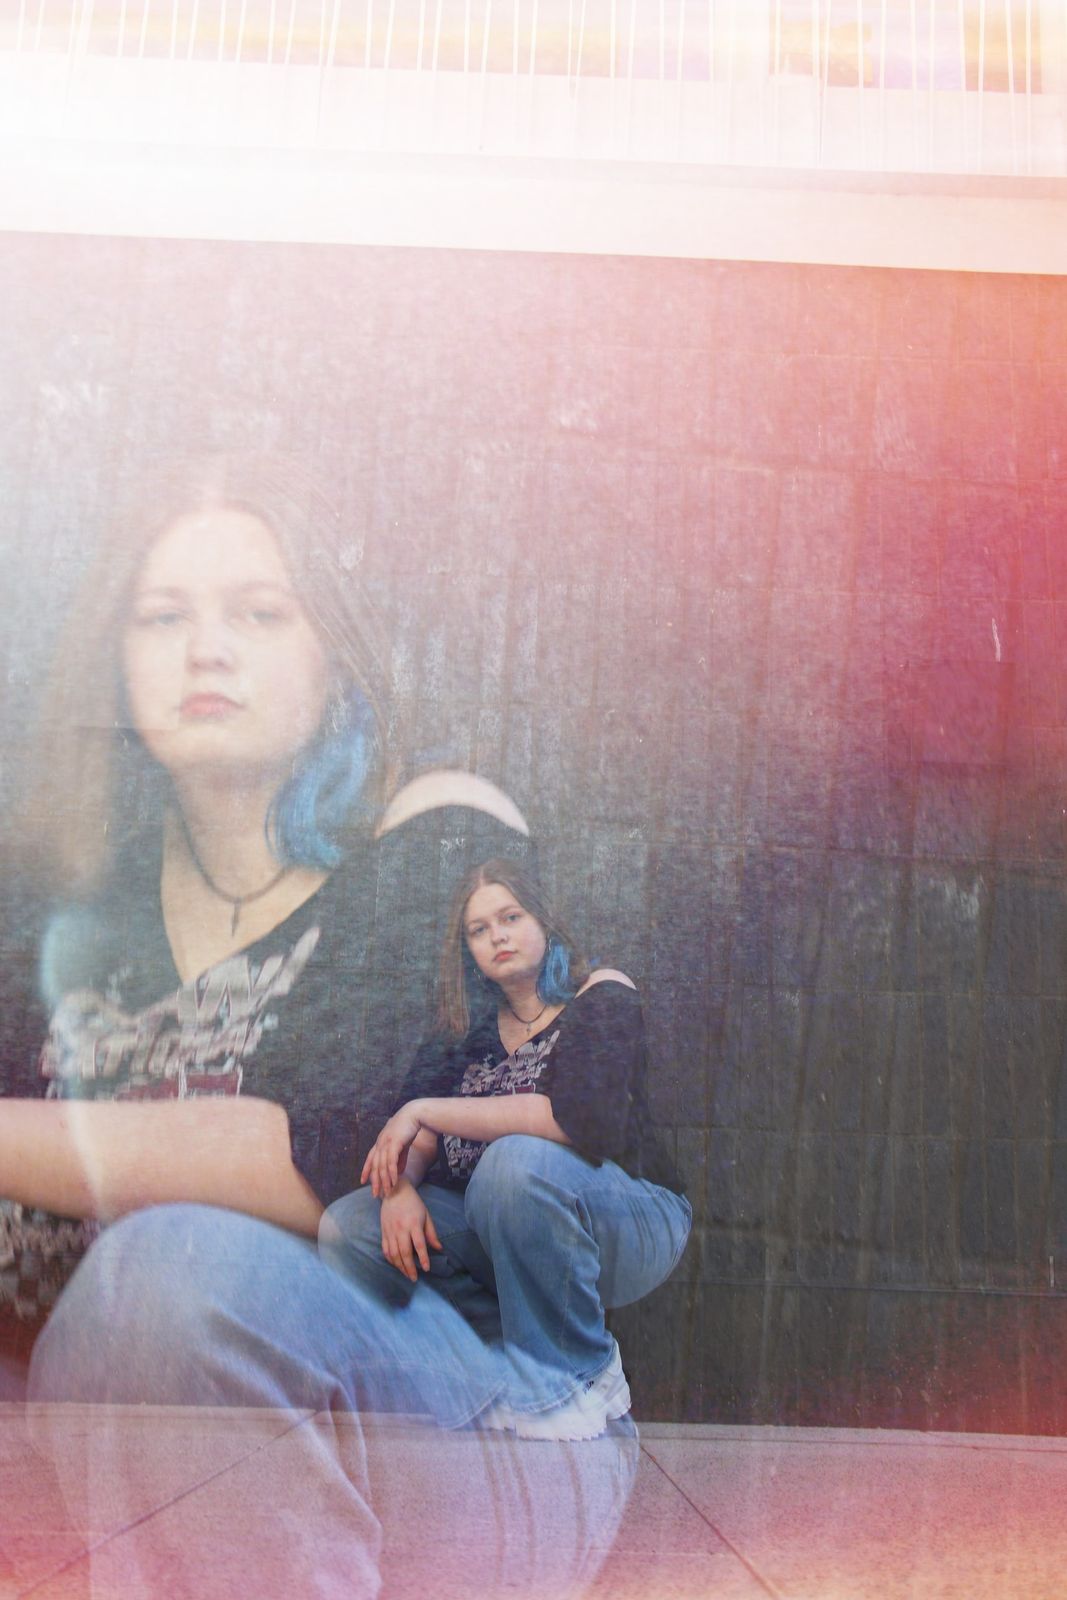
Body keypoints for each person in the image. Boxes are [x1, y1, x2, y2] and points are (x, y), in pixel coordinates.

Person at [0, 457, 637, 1598]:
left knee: (167, 1277)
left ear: (330, 652)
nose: (206, 648)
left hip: (482, 1414)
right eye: (164, 616)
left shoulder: (443, 833)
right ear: (115, 658)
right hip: (129, 1454)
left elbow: (332, 1155)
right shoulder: (53, 911)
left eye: (257, 612)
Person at [324, 858, 692, 1442]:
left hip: (631, 1221)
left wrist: (424, 1111)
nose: (497, 935)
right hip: (504, 1225)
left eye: (511, 917)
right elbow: (410, 1136)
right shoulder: (463, 1030)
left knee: (513, 1162)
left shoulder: (601, 993)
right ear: (468, 950)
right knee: (350, 1227)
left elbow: (580, 1122)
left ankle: (579, 1374)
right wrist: (398, 1191)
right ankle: (500, 1373)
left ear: (543, 920)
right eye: (479, 929)